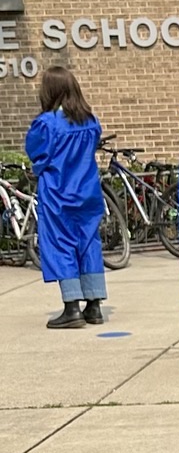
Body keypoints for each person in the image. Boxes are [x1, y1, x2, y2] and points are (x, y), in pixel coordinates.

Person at [24, 65, 107, 331]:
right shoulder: (90, 121)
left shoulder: (46, 124)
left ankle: (72, 307)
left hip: (59, 192)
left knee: (61, 246)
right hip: (87, 191)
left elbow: (38, 155)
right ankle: (94, 305)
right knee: (88, 243)